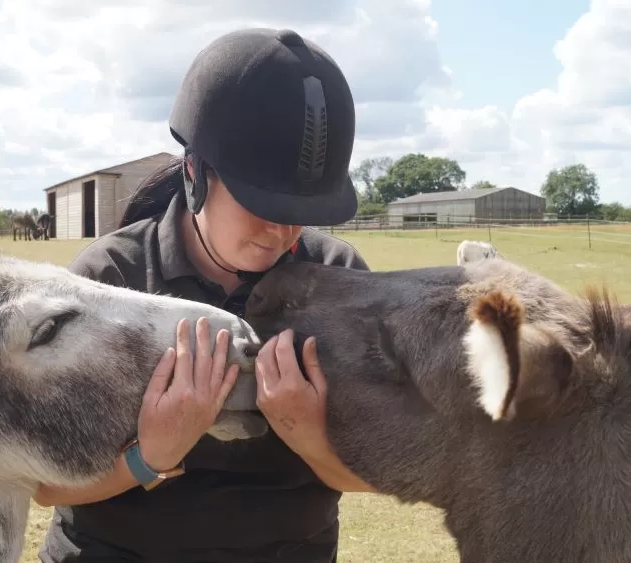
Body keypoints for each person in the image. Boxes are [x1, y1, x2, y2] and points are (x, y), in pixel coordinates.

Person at [36, 27, 377, 563]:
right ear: (195, 173)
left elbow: (373, 476)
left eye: (302, 210)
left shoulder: (339, 277)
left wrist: (305, 433)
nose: (284, 231)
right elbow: (47, 486)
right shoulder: (110, 275)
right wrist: (153, 454)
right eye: (260, 203)